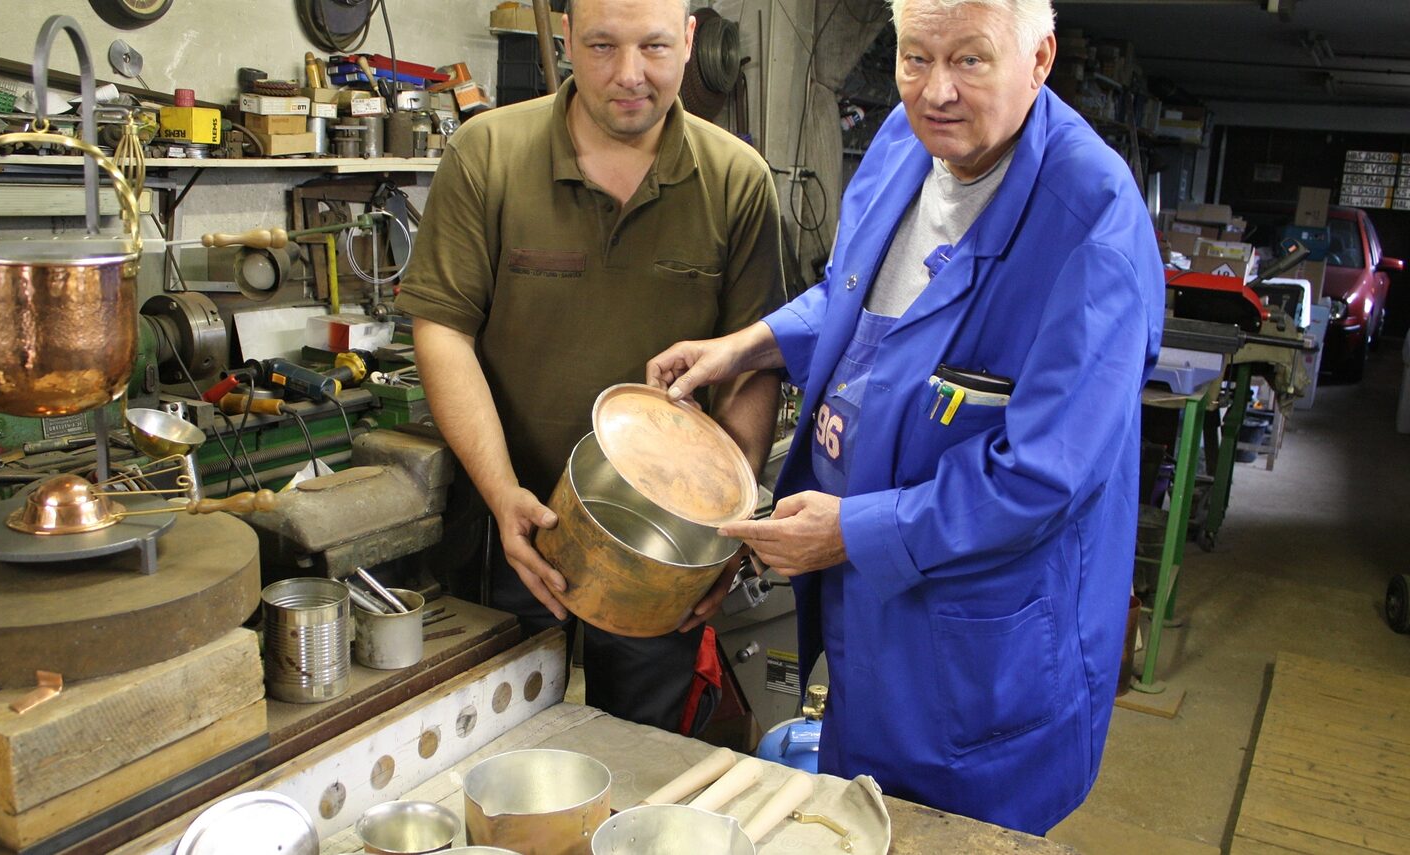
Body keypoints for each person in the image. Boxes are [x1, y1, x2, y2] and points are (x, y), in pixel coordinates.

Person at [647, 0, 1164, 835]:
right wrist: (751, 344)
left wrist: (852, 531)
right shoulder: (904, 146)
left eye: (970, 60)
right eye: (915, 57)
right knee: (860, 821)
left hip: (984, 650)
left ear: (1040, 59)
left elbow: (1041, 474)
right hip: (874, 617)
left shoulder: (1092, 227)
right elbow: (860, 298)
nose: (937, 91)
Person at [394, 0, 782, 733]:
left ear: (691, 40)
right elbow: (442, 330)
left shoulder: (738, 181)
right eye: (602, 46)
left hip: (661, 545)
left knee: (643, 755)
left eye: (656, 48)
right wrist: (503, 492)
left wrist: (728, 525)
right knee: (489, 744)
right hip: (505, 526)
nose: (629, 76)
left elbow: (754, 364)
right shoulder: (487, 153)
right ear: (567, 37)